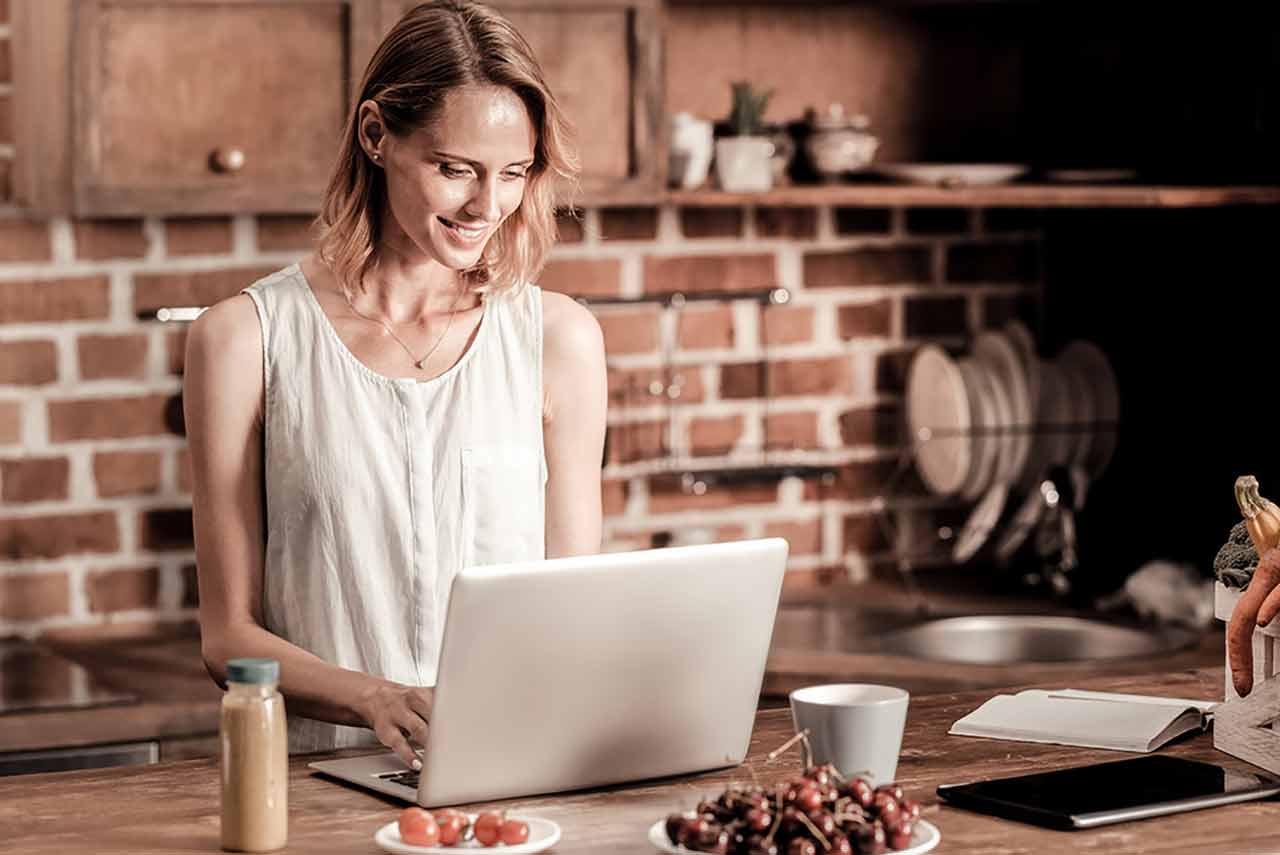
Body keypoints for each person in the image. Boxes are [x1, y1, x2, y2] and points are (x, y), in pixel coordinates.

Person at [183, 0, 607, 771]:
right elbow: (227, 638)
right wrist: (376, 698)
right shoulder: (242, 340)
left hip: (512, 785)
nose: (488, 207)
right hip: (318, 787)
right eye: (455, 170)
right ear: (376, 135)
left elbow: (573, 612)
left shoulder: (559, 340)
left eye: (513, 173)